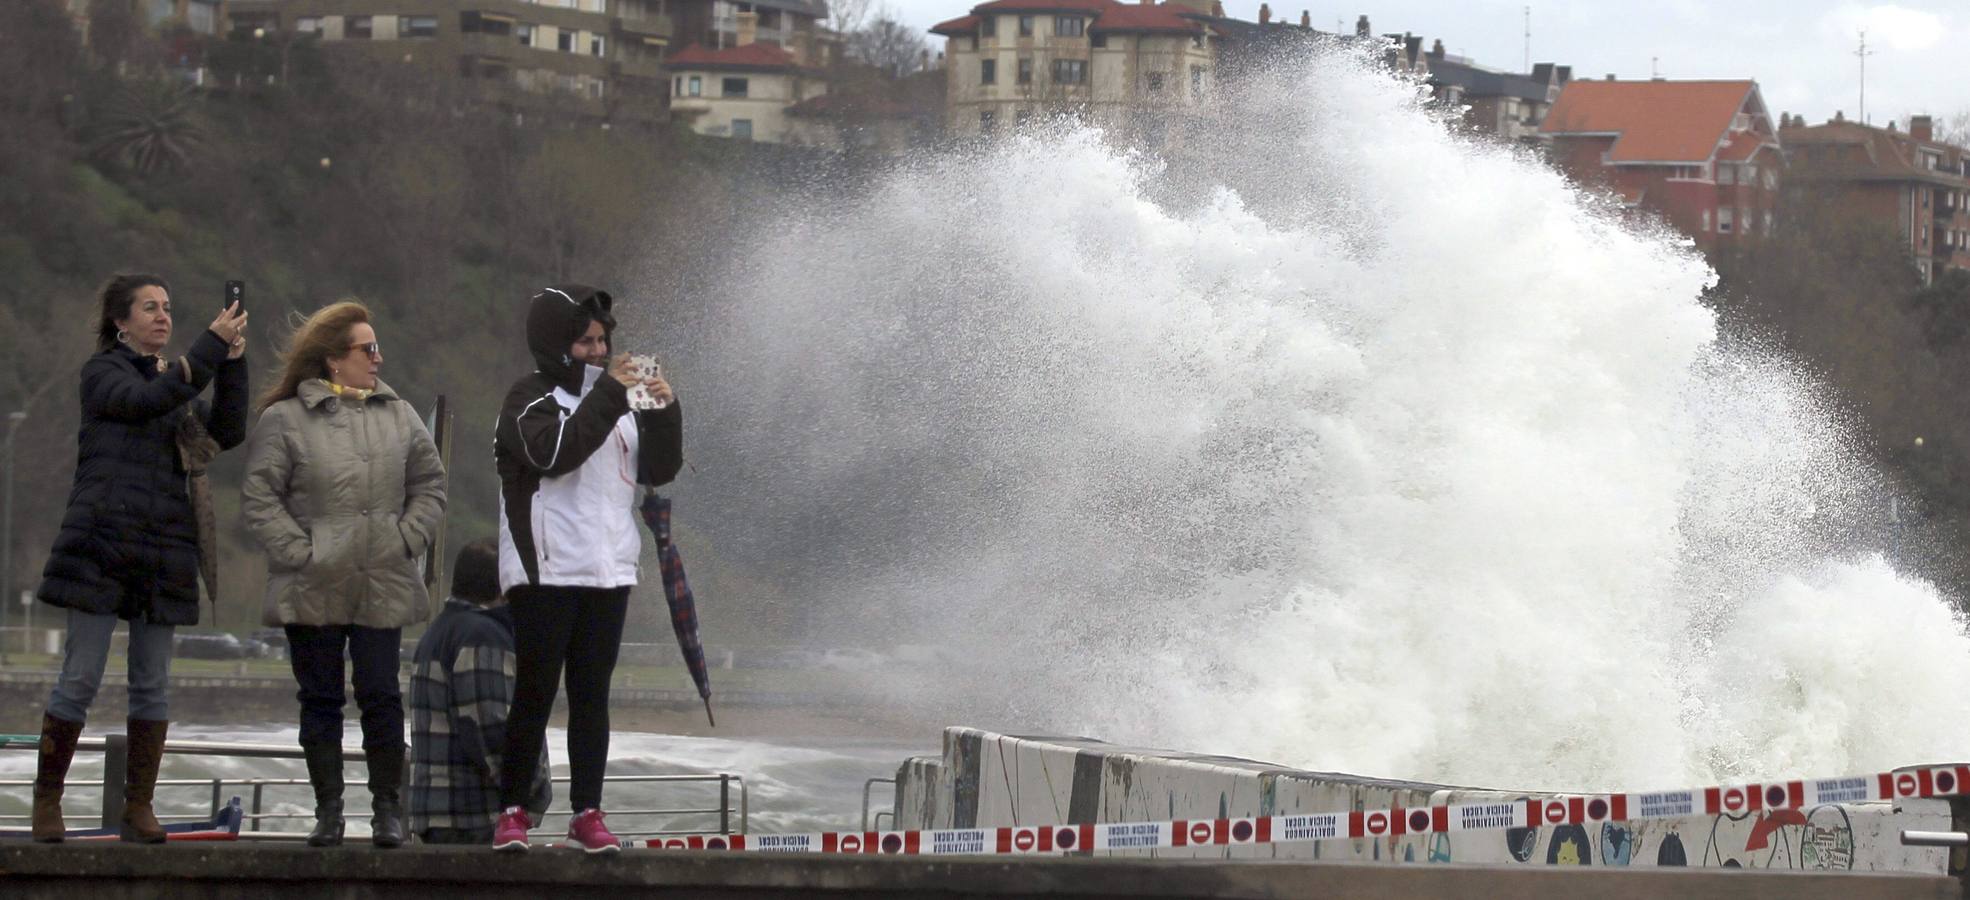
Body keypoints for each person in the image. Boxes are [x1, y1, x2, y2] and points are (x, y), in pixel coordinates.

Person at [31, 274, 249, 843]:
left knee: (152, 685)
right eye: (149, 308)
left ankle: (138, 807)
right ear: (120, 321)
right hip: (100, 542)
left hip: (162, 546)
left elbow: (224, 431)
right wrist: (206, 347)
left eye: (168, 308)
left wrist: (230, 363)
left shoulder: (174, 381)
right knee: (79, 677)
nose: (162, 316)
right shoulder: (102, 373)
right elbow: (145, 401)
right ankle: (48, 802)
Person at [241, 301, 446, 849]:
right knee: (321, 699)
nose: (379, 358)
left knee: (381, 695)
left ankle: (387, 811)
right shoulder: (285, 419)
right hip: (311, 581)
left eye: (378, 347)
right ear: (334, 359)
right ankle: (328, 811)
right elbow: (259, 497)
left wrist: (406, 538)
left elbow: (431, 483)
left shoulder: (398, 414)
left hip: (382, 575)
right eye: (367, 348)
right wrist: (301, 553)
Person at [490, 285, 681, 853]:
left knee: (592, 692)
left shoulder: (618, 401)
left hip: (609, 567)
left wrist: (666, 410)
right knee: (536, 690)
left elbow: (660, 469)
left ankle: (587, 811)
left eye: (603, 340)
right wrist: (612, 397)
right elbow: (556, 454)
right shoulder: (527, 399)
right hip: (545, 568)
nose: (598, 351)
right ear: (556, 344)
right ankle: (514, 810)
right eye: (585, 341)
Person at [409, 538, 551, 845]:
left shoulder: (438, 632)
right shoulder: (483, 636)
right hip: (472, 814)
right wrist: (530, 789)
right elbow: (492, 727)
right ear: (505, 587)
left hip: (437, 811)